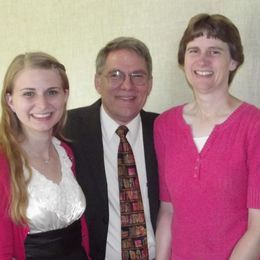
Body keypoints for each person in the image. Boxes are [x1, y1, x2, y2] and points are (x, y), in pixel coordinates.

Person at [154, 13, 260, 259]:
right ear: (183, 61)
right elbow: (168, 211)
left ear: (233, 61)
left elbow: (258, 228)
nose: (202, 61)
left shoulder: (254, 126)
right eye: (194, 51)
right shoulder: (165, 126)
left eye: (215, 51)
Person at [63, 37, 159, 259]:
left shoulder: (165, 131)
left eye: (138, 75)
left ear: (150, 84)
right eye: (115, 75)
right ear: (98, 82)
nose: (127, 85)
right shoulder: (66, 130)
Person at [0, 52, 89, 259]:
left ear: (65, 96)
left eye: (52, 92)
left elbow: (80, 234)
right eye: (29, 93)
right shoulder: (4, 161)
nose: (42, 104)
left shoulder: (65, 152)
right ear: (11, 101)